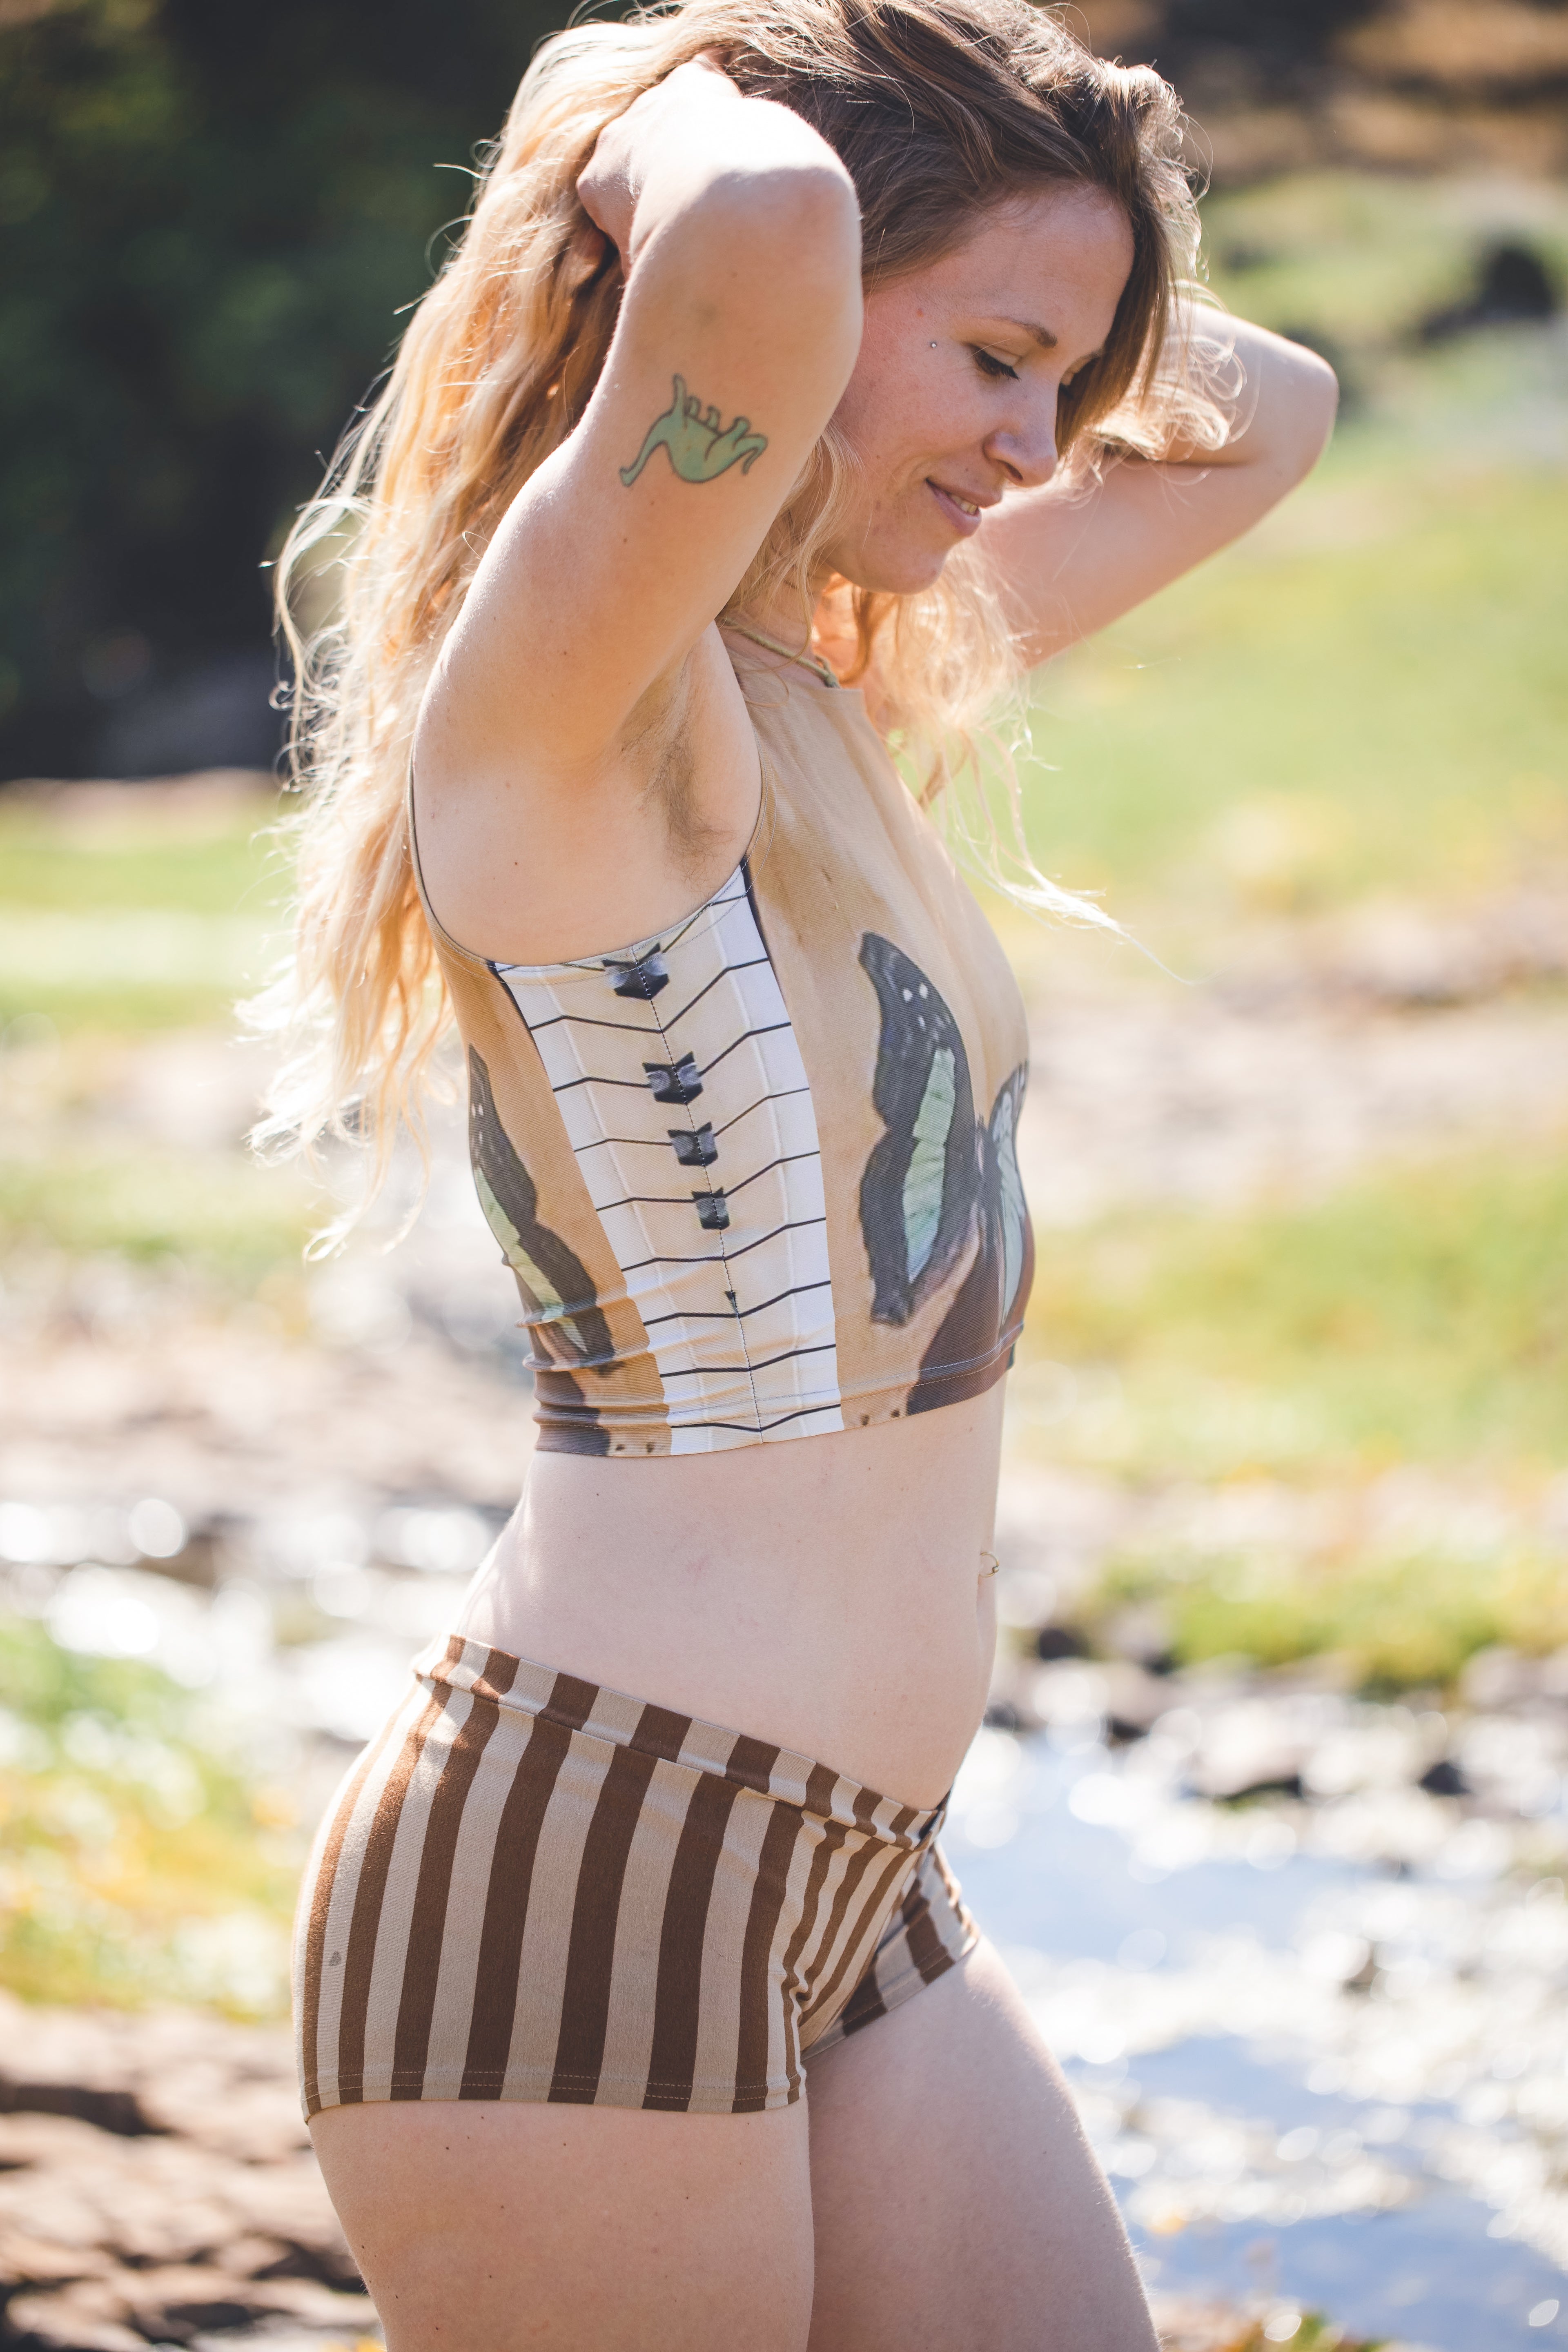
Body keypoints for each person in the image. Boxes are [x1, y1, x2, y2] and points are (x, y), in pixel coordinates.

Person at [269, 2, 1336, 2344]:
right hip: (588, 1868)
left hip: (859, 1881)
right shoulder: (572, 707)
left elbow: (1278, 408)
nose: (1040, 445)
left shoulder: (840, 675)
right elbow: (748, 223)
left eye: (1065, 379)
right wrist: (633, 97)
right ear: (811, 294)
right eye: (997, 362)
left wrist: (1037, 240)